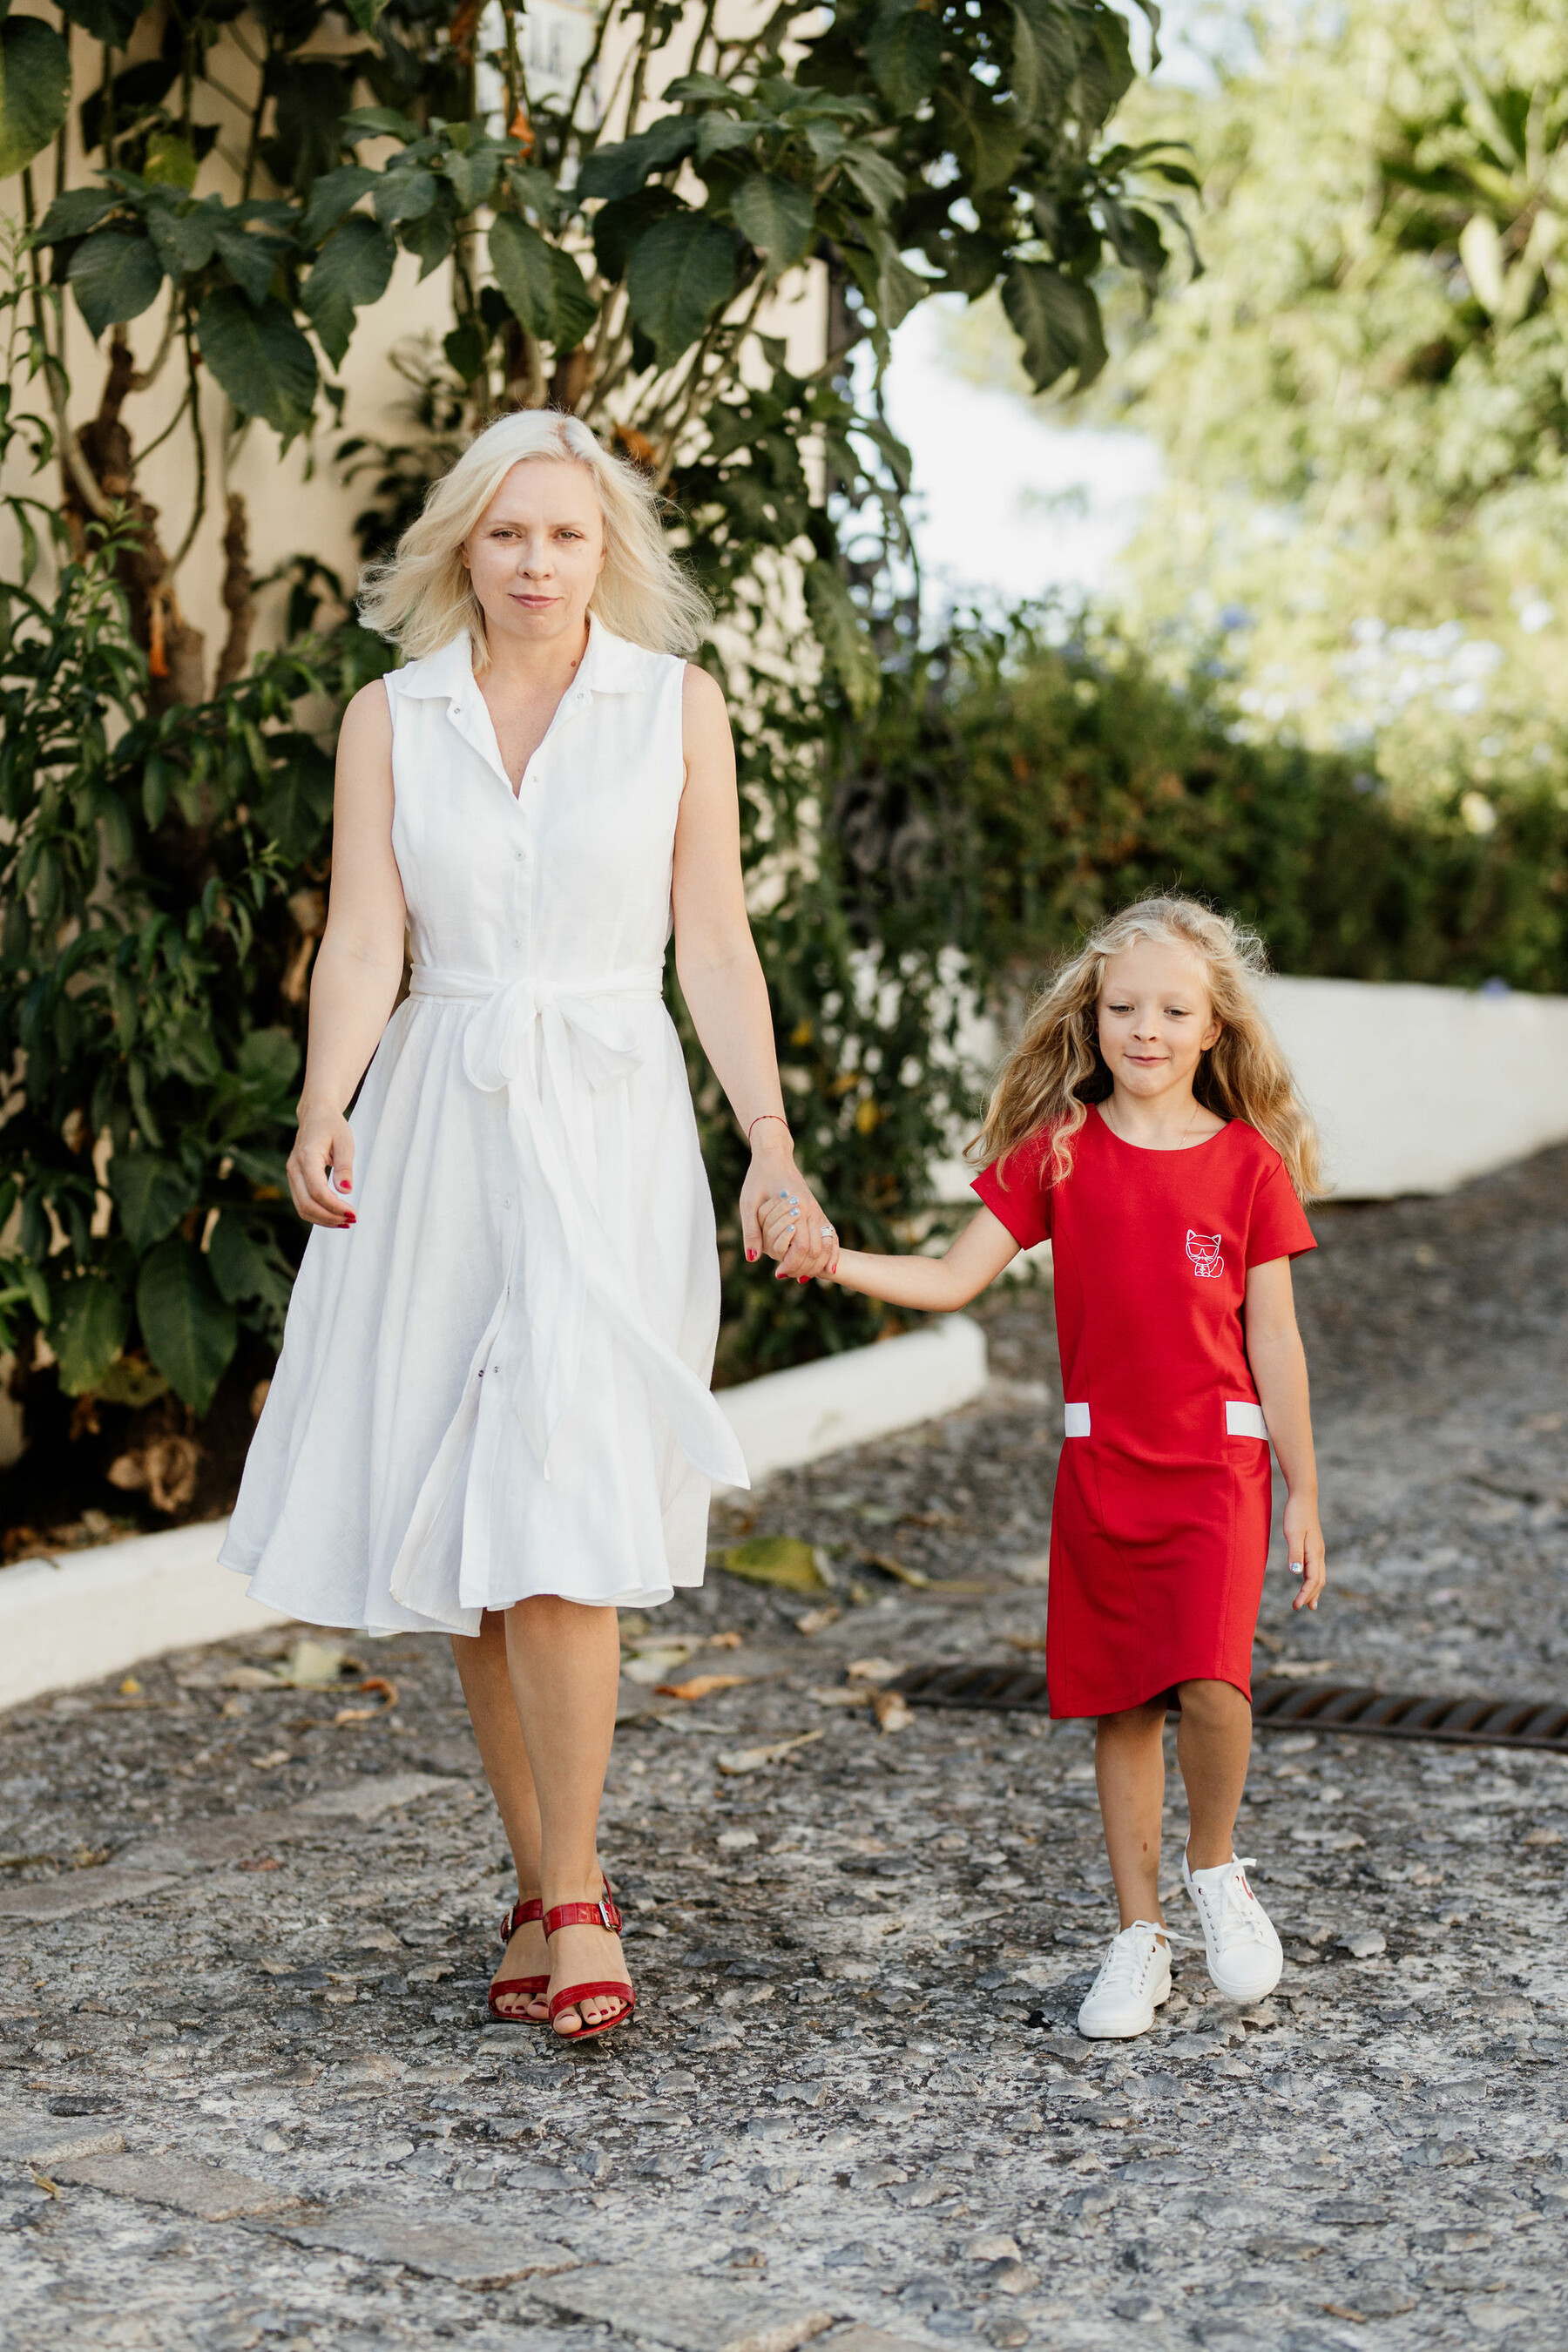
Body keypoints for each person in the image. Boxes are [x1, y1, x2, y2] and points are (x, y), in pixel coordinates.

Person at [220, 411, 836, 2041]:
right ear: (462, 552)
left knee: (558, 1507)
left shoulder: (673, 708)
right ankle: (548, 1878)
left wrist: (769, 1147)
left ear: (608, 551)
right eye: (508, 536)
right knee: (475, 1533)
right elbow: (364, 936)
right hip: (436, 1125)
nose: (538, 563)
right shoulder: (390, 716)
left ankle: (571, 1898)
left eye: (566, 536)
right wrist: (322, 1104)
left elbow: (714, 944)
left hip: (609, 1124)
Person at [760, 896, 1326, 2040]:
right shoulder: (1056, 1151)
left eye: (1174, 1009)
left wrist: (1307, 1488)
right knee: (1120, 1704)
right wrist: (834, 1260)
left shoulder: (1251, 1166)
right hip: (1102, 1463)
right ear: (1093, 1014)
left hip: (1220, 1461)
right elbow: (951, 1278)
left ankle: (1215, 1870)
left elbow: (1276, 1337)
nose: (1147, 1029)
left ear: (1214, 1027)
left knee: (1214, 1681)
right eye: (1125, 1007)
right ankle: (1137, 1939)